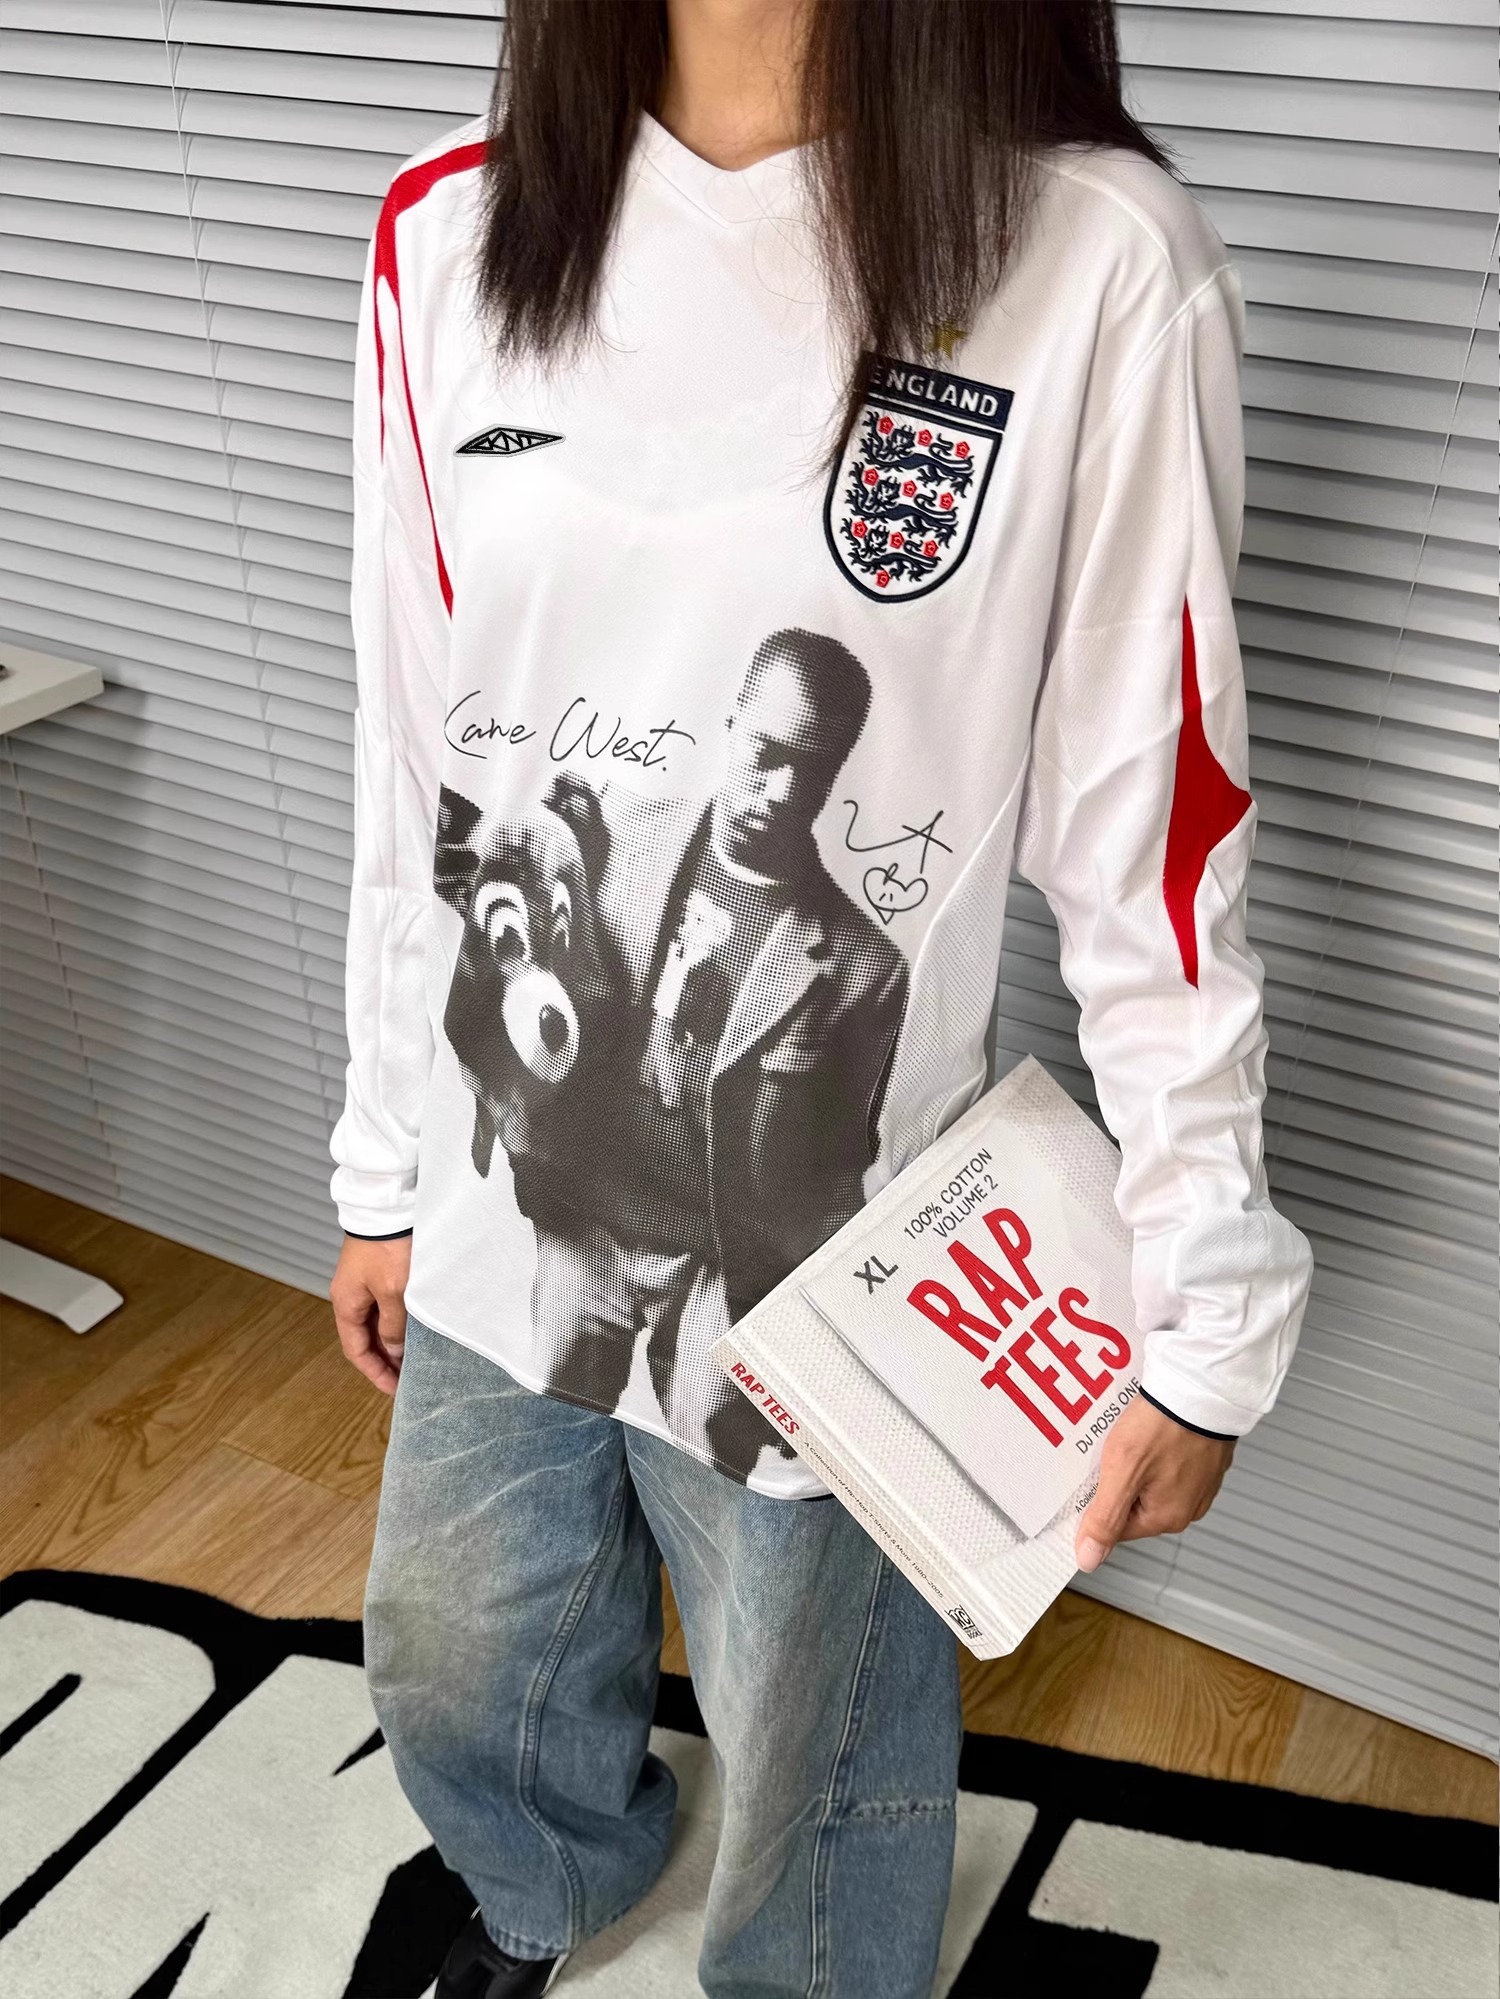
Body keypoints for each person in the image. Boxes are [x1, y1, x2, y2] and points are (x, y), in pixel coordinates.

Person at [327, 4, 1314, 1995]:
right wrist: (383, 1156)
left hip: (812, 1264)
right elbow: (420, 760)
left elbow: (1154, 843)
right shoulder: (449, 233)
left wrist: (1211, 1308)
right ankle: (546, 1883)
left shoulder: (1092, 261)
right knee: (449, 1645)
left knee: (817, 1733)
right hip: (508, 1197)